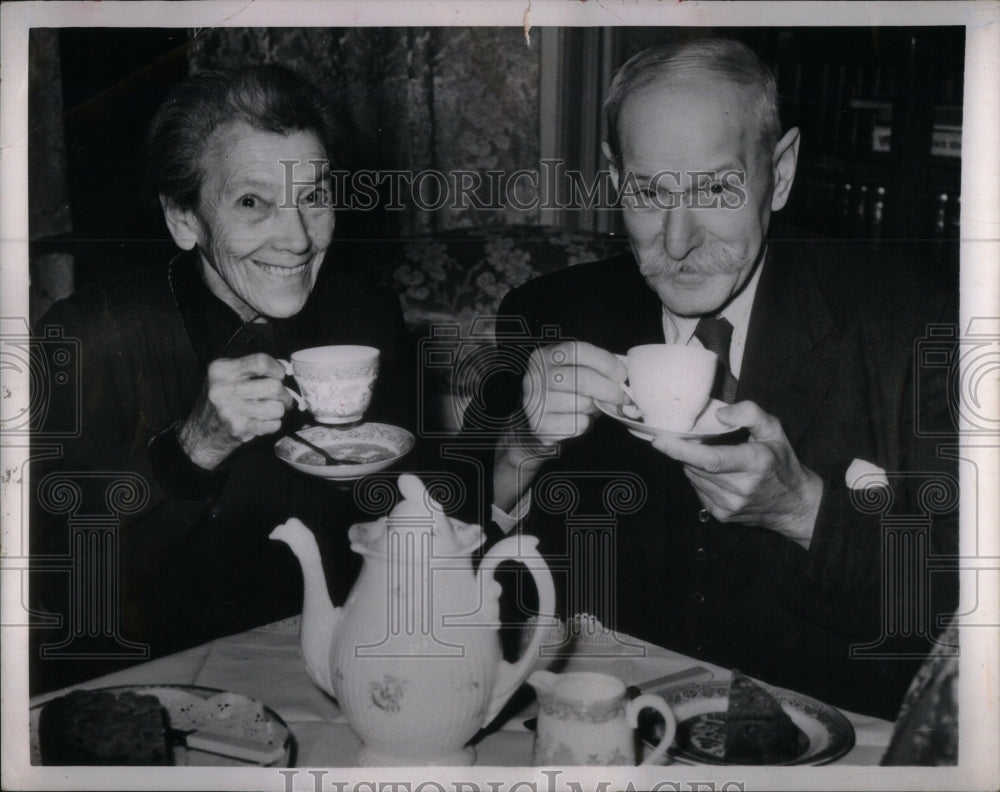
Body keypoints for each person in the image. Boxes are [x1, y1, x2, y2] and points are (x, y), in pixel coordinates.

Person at [466, 39, 958, 721]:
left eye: (716, 188)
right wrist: (517, 451)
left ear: (779, 174)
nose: (676, 241)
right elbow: (436, 554)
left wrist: (804, 509)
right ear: (613, 178)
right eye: (647, 192)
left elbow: (964, 614)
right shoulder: (550, 315)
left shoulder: (915, 322)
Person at [30, 65, 413, 693]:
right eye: (252, 203)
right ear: (185, 220)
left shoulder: (364, 316)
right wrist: (193, 449)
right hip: (152, 694)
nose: (296, 239)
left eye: (313, 197)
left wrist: (516, 454)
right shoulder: (93, 336)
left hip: (331, 673)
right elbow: (45, 588)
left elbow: (406, 515)